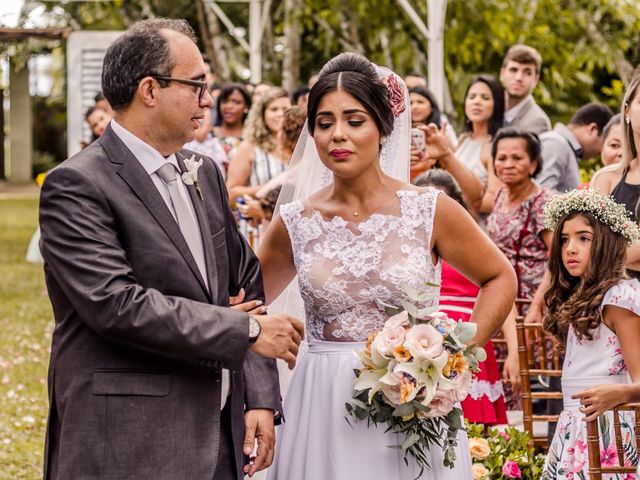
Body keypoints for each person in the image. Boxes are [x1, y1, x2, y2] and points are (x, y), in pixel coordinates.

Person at [38, 19, 304, 480]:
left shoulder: (203, 171)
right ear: (149, 89)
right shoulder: (77, 184)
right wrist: (245, 332)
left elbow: (245, 285)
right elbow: (115, 304)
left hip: (220, 435)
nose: (209, 99)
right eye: (197, 84)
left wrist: (259, 396)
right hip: (127, 437)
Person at [257, 52, 517, 479]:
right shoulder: (295, 222)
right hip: (321, 404)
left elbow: (499, 276)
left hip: (411, 402)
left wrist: (456, 356)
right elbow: (247, 304)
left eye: (354, 120)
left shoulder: (430, 209)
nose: (338, 135)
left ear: (383, 127)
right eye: (324, 123)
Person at [540, 189, 640, 478]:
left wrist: (621, 392)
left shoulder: (618, 298)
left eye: (584, 238)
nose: (570, 248)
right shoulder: (581, 298)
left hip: (610, 430)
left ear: (606, 243)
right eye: (564, 240)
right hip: (575, 429)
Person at [414, 169, 508, 426]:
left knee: (475, 423)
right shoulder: (409, 250)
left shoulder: (474, 245)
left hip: (469, 335)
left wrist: (514, 351)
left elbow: (501, 283)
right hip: (422, 341)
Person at [485, 128, 552, 410]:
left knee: (530, 381)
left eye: (517, 158)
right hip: (502, 303)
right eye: (501, 158)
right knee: (502, 379)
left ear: (533, 164)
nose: (508, 164)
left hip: (531, 304)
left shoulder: (543, 203)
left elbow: (557, 258)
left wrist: (538, 305)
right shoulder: (499, 196)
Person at [226, 87, 291, 203]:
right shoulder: (250, 147)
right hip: (259, 217)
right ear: (263, 114)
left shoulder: (300, 145)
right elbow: (231, 192)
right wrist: (271, 188)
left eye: (285, 109)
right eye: (274, 109)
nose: (280, 114)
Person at [535, 103, 614, 193]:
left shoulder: (566, 147)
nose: (601, 152)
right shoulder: (556, 144)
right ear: (592, 129)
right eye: (604, 143)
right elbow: (540, 192)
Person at [456, 75, 506, 215]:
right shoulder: (463, 139)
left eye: (485, 98)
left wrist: (451, 204)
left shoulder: (494, 146)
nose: (477, 102)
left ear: (496, 104)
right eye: (472, 97)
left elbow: (493, 201)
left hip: (476, 224)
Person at [499, 44, 551, 134]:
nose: (519, 78)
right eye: (513, 70)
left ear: (536, 80)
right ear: (502, 74)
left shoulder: (537, 121)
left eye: (527, 72)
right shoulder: (490, 109)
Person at [409, 86, 458, 180]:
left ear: (431, 107)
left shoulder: (441, 134)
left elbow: (453, 165)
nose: (414, 107)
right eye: (410, 103)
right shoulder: (399, 135)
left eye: (420, 102)